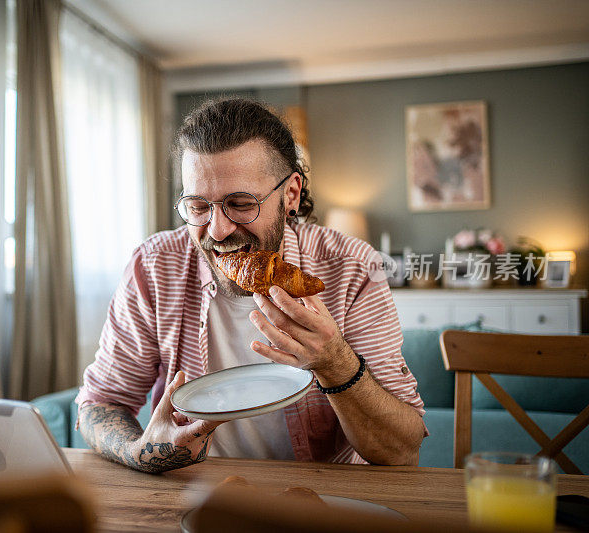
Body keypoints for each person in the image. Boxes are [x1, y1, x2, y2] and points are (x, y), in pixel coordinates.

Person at [75, 98, 426, 473]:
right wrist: (139, 451)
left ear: (290, 194)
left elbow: (401, 451)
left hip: (321, 500)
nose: (218, 229)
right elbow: (100, 403)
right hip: (192, 490)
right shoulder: (155, 266)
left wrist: (336, 363)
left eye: (240, 204)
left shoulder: (352, 268)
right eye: (197, 206)